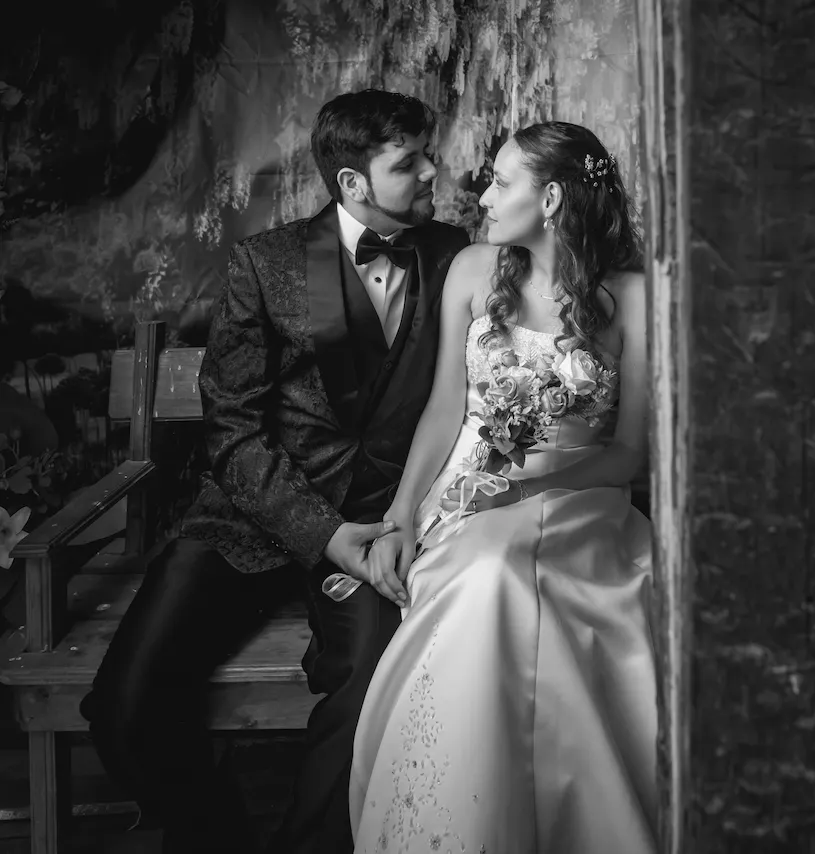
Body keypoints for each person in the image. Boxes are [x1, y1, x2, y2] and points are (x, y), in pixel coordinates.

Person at [79, 89, 471, 854]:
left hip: (389, 527)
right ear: (353, 183)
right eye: (409, 162)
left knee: (369, 694)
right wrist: (324, 533)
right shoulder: (267, 263)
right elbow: (230, 432)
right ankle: (215, 833)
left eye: (429, 153)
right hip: (249, 520)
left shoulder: (456, 253)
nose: (433, 171)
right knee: (124, 708)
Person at [349, 121, 658, 853]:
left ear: (551, 198)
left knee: (513, 573)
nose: (482, 196)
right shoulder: (471, 270)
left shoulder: (639, 297)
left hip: (584, 500)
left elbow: (627, 455)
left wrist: (526, 494)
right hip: (469, 494)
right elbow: (444, 411)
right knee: (489, 572)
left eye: (502, 182)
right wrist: (399, 518)